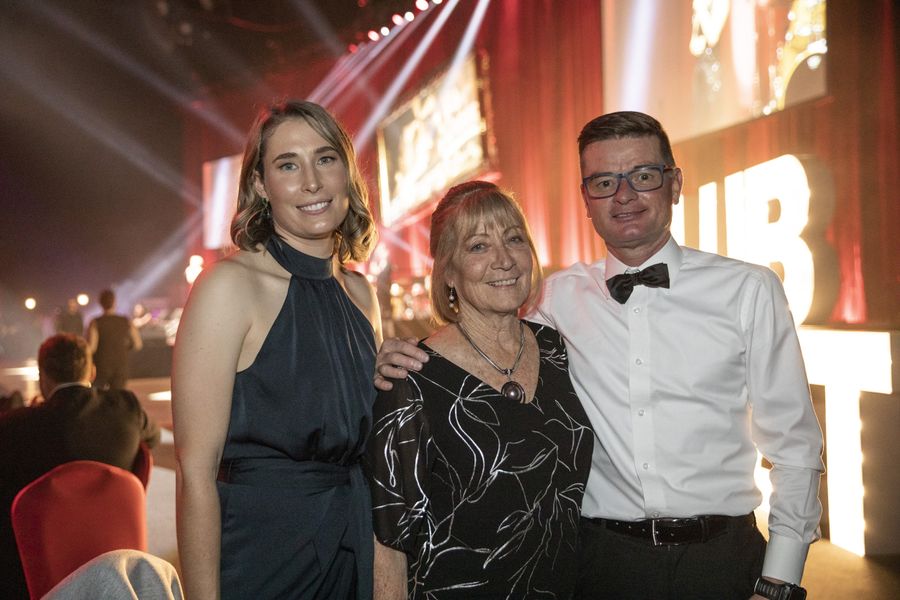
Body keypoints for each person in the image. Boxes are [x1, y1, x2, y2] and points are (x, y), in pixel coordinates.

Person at [375, 111, 823, 600]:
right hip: (600, 568)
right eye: (605, 182)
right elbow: (477, 336)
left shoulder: (749, 290)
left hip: (723, 561)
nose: (624, 196)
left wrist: (779, 580)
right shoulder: (552, 303)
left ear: (674, 184)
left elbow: (795, 446)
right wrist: (399, 354)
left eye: (644, 176)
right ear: (586, 199)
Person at [172, 100, 381, 600]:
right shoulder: (228, 286)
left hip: (355, 544)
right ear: (261, 185)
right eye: (288, 165)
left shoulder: (361, 294)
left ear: (346, 173)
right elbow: (194, 475)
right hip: (265, 557)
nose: (311, 182)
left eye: (325, 159)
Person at [366, 181, 593, 599]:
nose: (504, 260)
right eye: (478, 247)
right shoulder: (412, 377)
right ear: (448, 272)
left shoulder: (556, 348)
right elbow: (389, 542)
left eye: (513, 239)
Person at [0, 334, 150, 599]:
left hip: (34, 575)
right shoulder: (127, 408)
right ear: (91, 371)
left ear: (42, 377)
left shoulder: (14, 427)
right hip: (117, 561)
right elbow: (152, 440)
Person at [88, 289, 143, 390]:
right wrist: (125, 346)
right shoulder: (126, 321)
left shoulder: (95, 322)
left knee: (97, 398)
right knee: (117, 399)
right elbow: (138, 344)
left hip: (101, 366)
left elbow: (92, 347)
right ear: (114, 302)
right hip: (120, 365)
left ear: (100, 303)